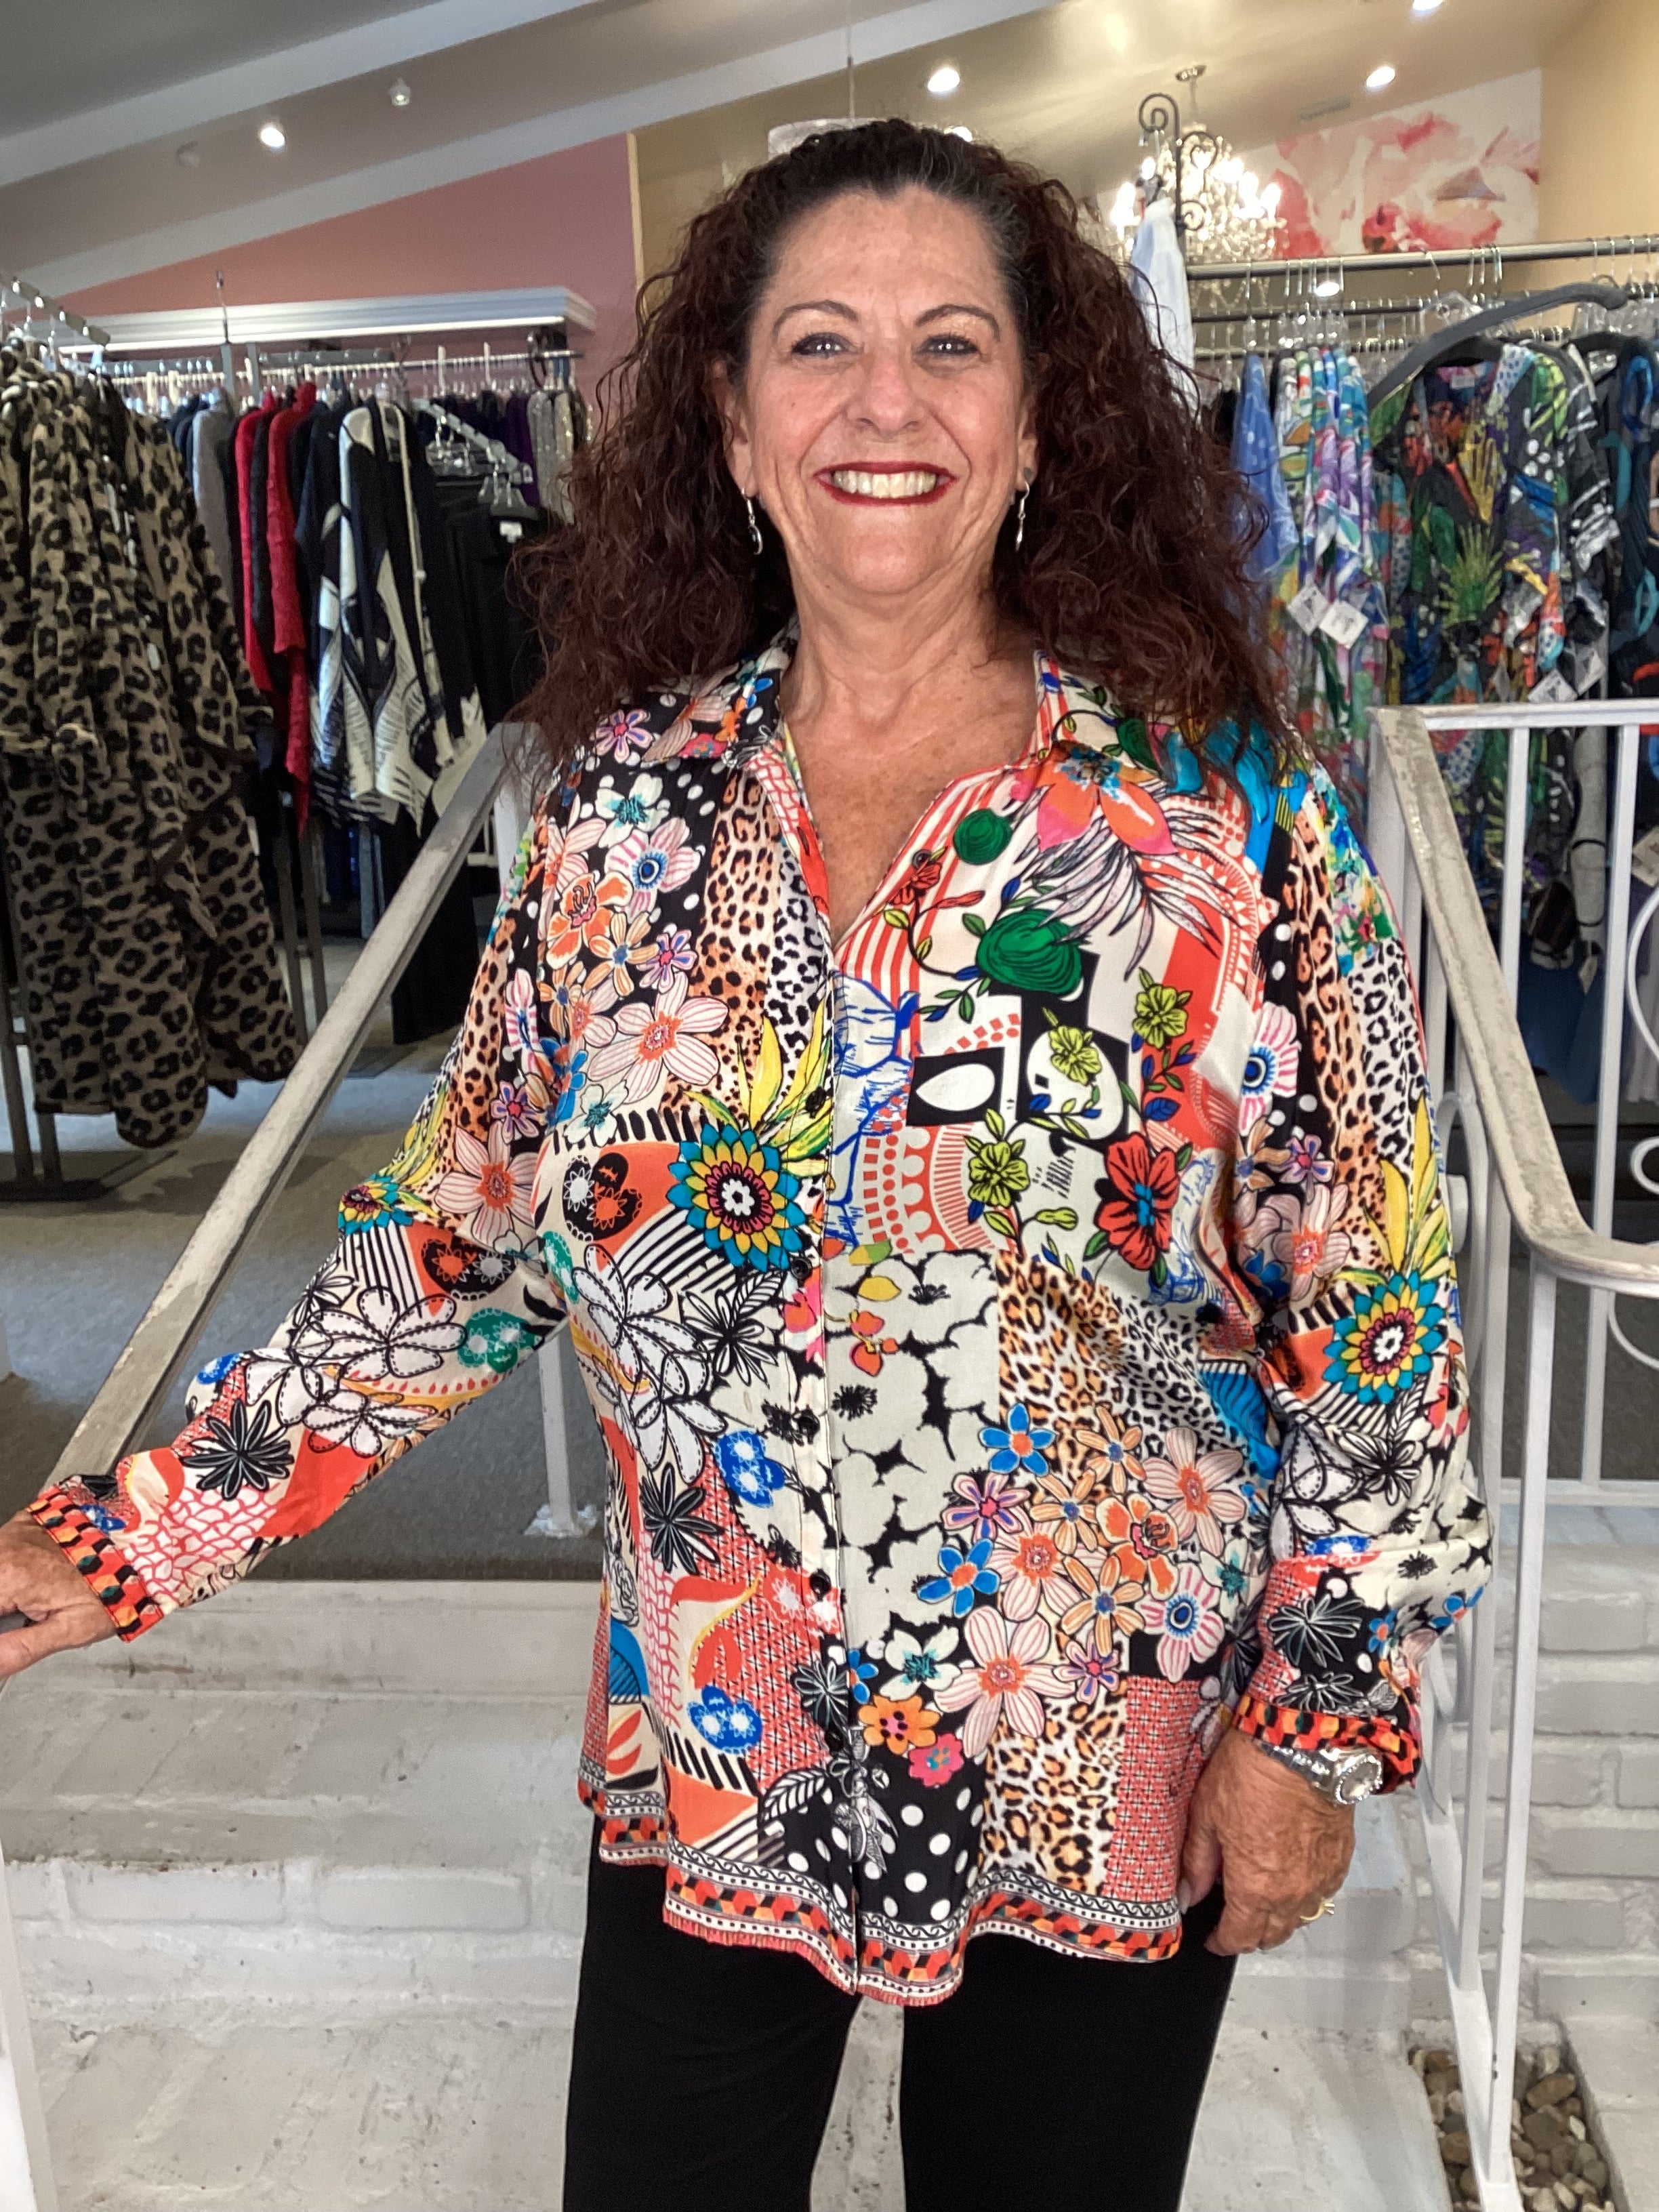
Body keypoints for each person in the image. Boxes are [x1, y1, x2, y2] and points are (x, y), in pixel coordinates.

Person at [0, 120, 1490, 2212]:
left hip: (1111, 1746)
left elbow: (1376, 1299)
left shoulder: (1218, 820)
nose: (887, 404)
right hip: (721, 1735)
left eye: (951, 345)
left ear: (1037, 420)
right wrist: (145, 1529)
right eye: (820, 345)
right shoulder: (625, 818)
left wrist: (1319, 1723)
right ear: (731, 419)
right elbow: (459, 1242)